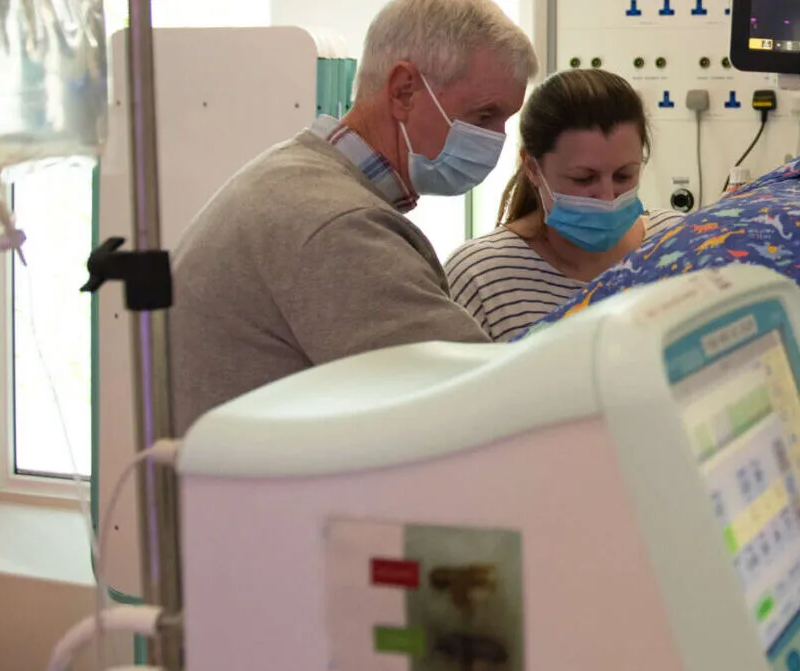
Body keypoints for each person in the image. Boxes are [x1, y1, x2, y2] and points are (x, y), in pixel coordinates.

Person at [170, 0, 537, 430]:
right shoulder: (337, 225)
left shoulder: (294, 174)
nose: (496, 141)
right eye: (484, 116)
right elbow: (479, 403)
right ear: (403, 90)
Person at [445, 69, 684, 341]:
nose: (608, 197)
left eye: (623, 176)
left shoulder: (679, 242)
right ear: (533, 167)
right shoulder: (480, 277)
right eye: (584, 179)